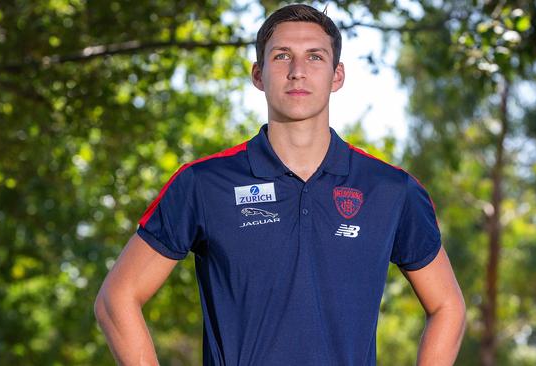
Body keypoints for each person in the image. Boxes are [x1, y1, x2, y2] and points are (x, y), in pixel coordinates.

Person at [94, 3, 465, 365]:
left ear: (337, 76)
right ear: (258, 74)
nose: (298, 71)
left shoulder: (391, 189)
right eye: (282, 56)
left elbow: (447, 306)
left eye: (315, 57)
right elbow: (117, 298)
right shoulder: (203, 184)